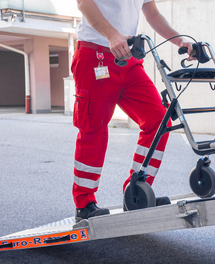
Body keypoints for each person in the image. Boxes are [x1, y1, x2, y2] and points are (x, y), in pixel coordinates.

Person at [72, 0, 194, 222]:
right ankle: (84, 203)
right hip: (95, 53)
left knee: (159, 120)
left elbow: (153, 14)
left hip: (128, 59)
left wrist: (180, 41)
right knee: (93, 127)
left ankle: (136, 192)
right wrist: (111, 34)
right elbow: (83, 3)